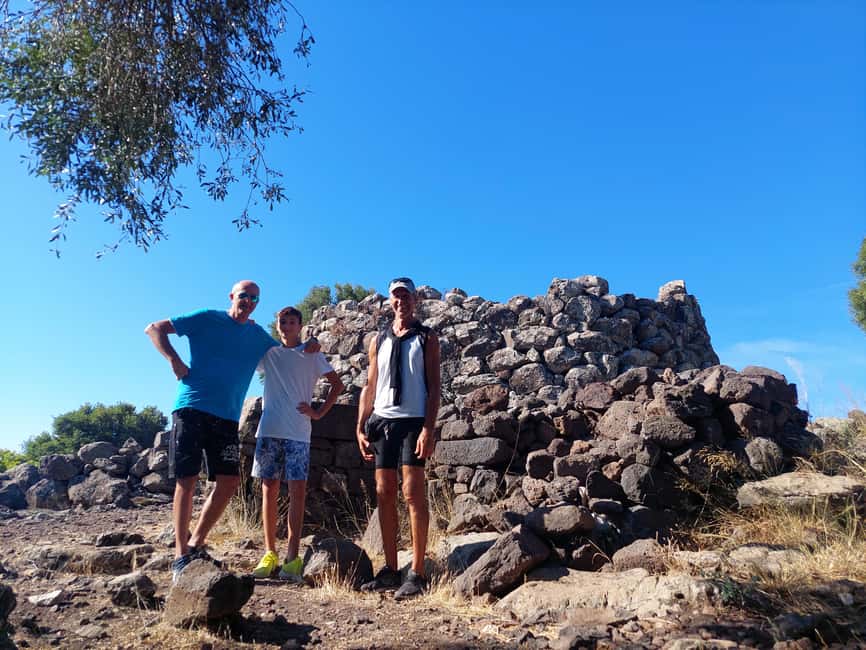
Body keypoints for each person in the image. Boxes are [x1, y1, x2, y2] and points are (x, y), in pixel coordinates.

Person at [145, 280, 317, 583]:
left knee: (228, 481)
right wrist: (174, 360)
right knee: (186, 479)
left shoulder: (257, 335)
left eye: (254, 299)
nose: (248, 301)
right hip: (191, 407)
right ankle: (180, 555)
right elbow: (154, 329)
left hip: (227, 417)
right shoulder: (207, 317)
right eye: (244, 296)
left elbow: (288, 352)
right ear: (231, 296)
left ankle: (196, 543)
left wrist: (310, 346)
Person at [355, 277, 441, 600]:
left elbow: (434, 387)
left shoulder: (427, 337)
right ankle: (391, 569)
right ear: (389, 301)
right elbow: (370, 384)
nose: (400, 301)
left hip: (412, 421)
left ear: (415, 300)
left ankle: (416, 572)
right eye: (395, 296)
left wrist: (428, 429)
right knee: (384, 491)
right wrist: (360, 425)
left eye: (406, 296)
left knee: (412, 491)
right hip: (382, 421)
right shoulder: (378, 339)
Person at [251, 306, 344, 580]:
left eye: (291, 321)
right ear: (278, 325)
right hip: (269, 429)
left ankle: (292, 557)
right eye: (282, 321)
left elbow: (336, 385)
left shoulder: (311, 353)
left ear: (300, 325)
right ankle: (269, 553)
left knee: (297, 493)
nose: (286, 325)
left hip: (298, 432)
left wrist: (318, 413)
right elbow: (246, 354)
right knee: (269, 490)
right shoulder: (269, 352)